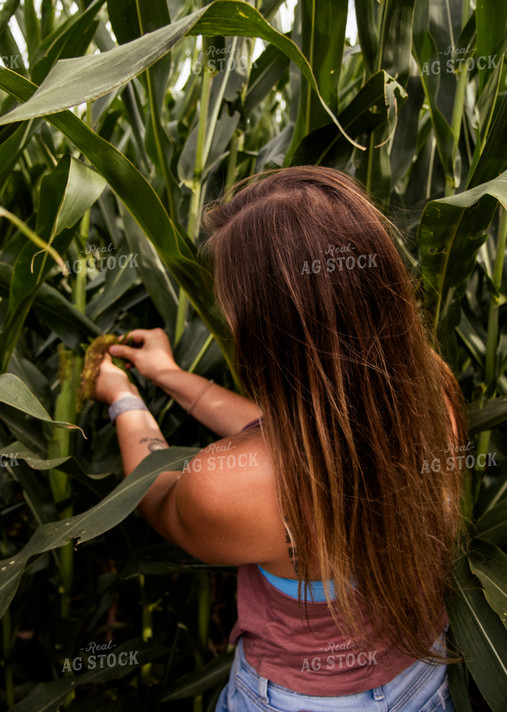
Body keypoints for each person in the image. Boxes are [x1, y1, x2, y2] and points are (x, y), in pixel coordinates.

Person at [93, 166, 468, 711]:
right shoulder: (429, 399)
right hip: (421, 680)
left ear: (270, 333)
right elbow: (309, 435)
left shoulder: (230, 489)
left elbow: (156, 493)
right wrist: (170, 375)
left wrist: (122, 399)